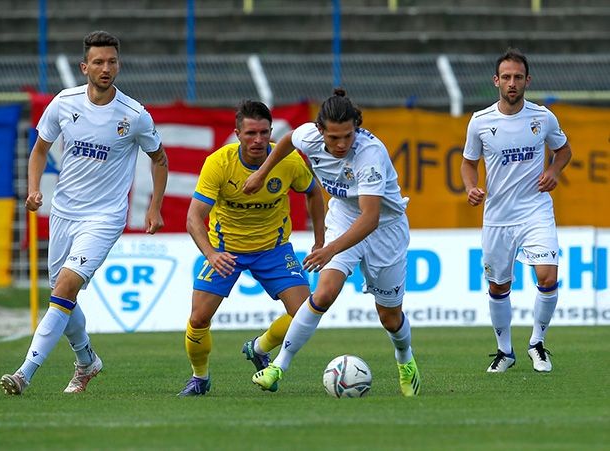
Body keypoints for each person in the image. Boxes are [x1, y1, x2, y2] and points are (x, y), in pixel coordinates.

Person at [0, 30, 169, 395]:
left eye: (111, 62)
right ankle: (87, 361)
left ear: (118, 65)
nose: (105, 68)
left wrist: (155, 206)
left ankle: (25, 373)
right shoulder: (64, 102)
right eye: (98, 62)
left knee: (64, 288)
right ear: (84, 67)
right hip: (64, 213)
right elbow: (40, 149)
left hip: (104, 217)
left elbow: (159, 158)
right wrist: (33, 188)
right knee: (62, 296)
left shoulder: (134, 115)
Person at [244, 88, 421, 397]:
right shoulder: (308, 136)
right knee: (323, 294)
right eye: (334, 138)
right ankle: (278, 367)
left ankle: (405, 361)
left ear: (357, 128)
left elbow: (370, 218)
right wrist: (262, 173)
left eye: (348, 136)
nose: (341, 145)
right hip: (342, 218)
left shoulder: (370, 155)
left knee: (390, 318)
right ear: (320, 130)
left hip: (384, 229)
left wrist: (328, 249)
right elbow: (286, 141)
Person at [178, 100, 325, 396]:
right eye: (250, 133)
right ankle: (200, 377)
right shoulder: (219, 163)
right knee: (198, 319)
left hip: (274, 249)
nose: (258, 140)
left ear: (271, 132)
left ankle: (259, 347)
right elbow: (194, 217)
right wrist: (211, 254)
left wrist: (320, 241)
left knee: (305, 314)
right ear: (237, 133)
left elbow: (313, 193)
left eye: (263, 133)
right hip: (226, 250)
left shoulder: (288, 161)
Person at [461, 48, 572, 373]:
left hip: (535, 209)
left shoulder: (542, 117)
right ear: (496, 81)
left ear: (527, 81)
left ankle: (537, 343)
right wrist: (471, 187)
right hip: (497, 216)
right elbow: (468, 162)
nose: (512, 83)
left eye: (518, 77)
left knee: (547, 275)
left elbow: (564, 150)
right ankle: (505, 351)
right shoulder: (480, 122)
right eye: (506, 77)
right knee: (498, 286)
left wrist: (553, 171)